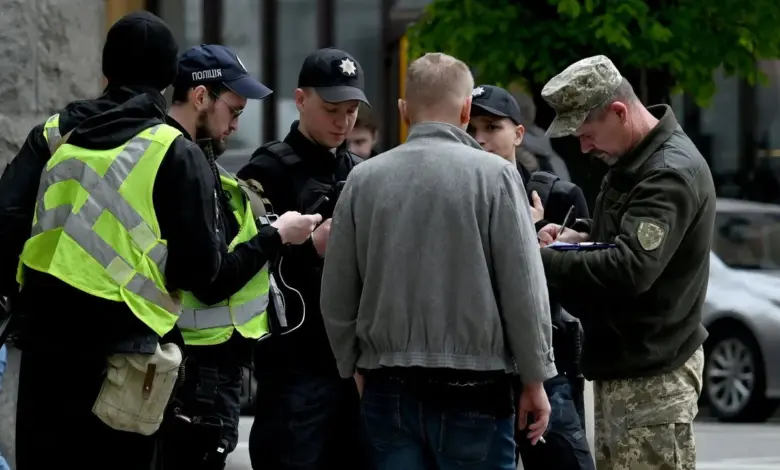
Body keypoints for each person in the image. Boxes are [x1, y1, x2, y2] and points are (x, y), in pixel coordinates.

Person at [320, 52, 555, 470]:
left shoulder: (363, 179)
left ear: (403, 111)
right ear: (466, 109)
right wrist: (535, 379)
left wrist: (352, 364)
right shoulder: (497, 177)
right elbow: (524, 289)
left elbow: (337, 291)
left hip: (386, 383)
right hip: (475, 386)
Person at [537, 55, 715, 470]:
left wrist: (540, 260)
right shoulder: (635, 159)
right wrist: (577, 236)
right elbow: (622, 230)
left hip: (653, 376)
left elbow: (630, 267)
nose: (583, 146)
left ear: (618, 111)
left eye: (587, 133)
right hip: (631, 366)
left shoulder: (667, 173)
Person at [157, 44, 321, 470]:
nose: (236, 124)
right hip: (196, 370)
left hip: (197, 365)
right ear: (199, 97)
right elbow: (209, 280)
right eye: (233, 110)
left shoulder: (191, 159)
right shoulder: (182, 160)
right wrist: (276, 236)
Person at [237, 47, 369, 470]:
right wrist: (309, 251)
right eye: (332, 108)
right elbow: (244, 270)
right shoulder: (269, 171)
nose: (342, 121)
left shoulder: (364, 171)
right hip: (296, 364)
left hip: (356, 363)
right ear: (300, 99)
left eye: (351, 110)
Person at [468, 84, 595, 470]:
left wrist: (547, 248)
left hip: (547, 365)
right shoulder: (449, 196)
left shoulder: (557, 196)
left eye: (492, 127)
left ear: (519, 134)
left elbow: (584, 288)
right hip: (478, 372)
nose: (480, 140)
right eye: (470, 129)